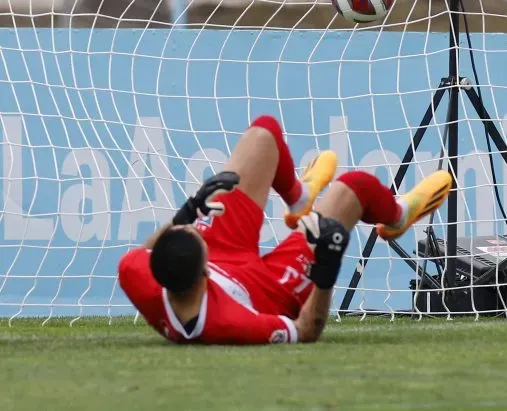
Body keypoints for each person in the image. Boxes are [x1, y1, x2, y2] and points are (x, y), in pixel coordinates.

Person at [117, 114, 452, 344]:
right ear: (203, 272)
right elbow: (306, 331)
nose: (193, 228)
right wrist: (326, 267)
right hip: (267, 292)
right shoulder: (232, 322)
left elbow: (145, 252)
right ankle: (397, 217)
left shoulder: (136, 273)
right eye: (193, 232)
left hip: (223, 253)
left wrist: (188, 212)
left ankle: (298, 197)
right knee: (356, 187)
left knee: (264, 133)